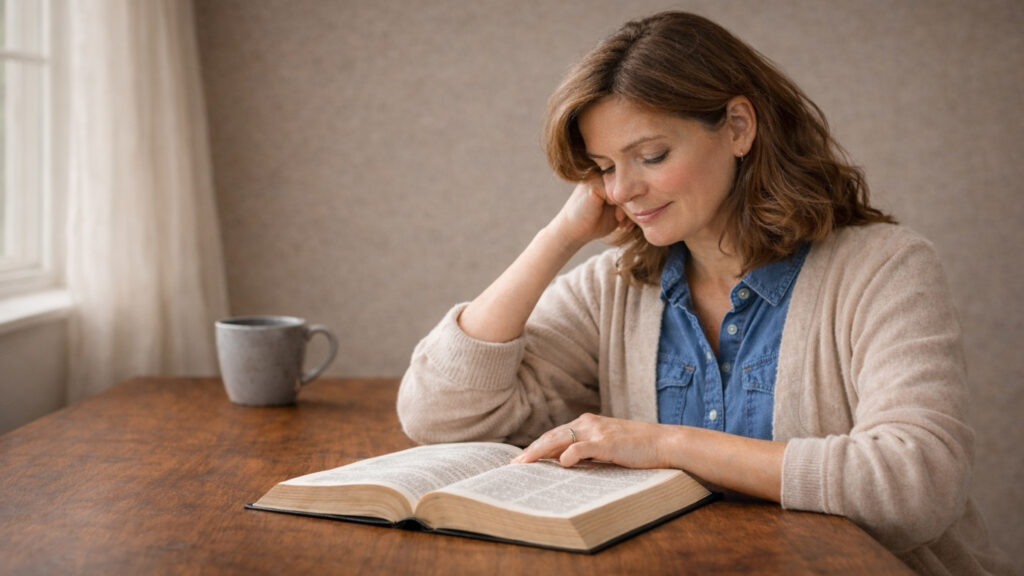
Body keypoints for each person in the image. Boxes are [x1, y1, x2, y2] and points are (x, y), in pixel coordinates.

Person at [397, 11, 1010, 575]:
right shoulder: (616, 291)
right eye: (605, 166)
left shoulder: (884, 268)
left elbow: (917, 485)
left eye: (651, 155)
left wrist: (661, 444)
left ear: (738, 127)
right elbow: (438, 414)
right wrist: (559, 236)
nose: (624, 190)